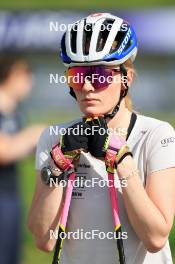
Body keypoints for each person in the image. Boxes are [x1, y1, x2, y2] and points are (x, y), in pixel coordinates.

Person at [28, 13, 175, 264]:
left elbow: (155, 238)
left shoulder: (157, 135)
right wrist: (56, 166)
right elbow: (44, 240)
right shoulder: (54, 137)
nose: (86, 87)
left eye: (99, 75)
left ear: (126, 79)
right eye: (77, 75)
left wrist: (122, 160)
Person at [0, 55, 46, 264]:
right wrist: (35, 135)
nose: (30, 81)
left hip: (11, 196)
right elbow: (3, 151)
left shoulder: (16, 111)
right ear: (11, 74)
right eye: (26, 74)